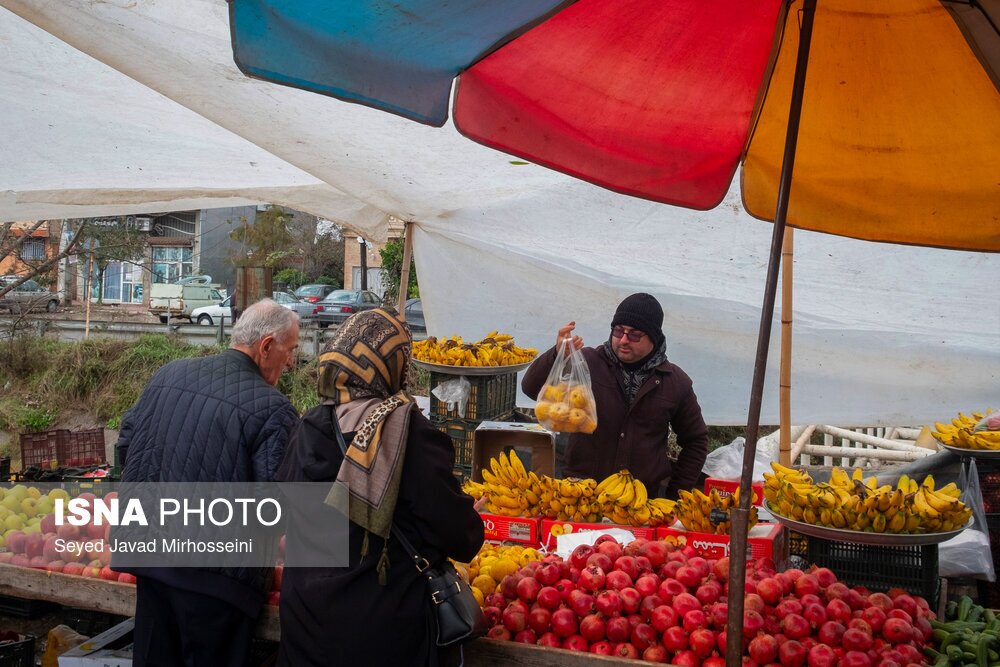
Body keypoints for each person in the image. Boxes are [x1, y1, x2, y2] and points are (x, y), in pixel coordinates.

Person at [276, 307, 484, 667]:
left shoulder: (309, 426)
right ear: (395, 367)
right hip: (383, 629)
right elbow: (461, 539)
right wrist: (467, 516)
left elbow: (285, 523)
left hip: (307, 621)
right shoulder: (409, 434)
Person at [114, 298, 300, 667]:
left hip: (150, 562)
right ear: (266, 347)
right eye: (291, 349)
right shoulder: (273, 409)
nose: (292, 361)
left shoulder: (169, 374)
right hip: (217, 585)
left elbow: (125, 446)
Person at [522, 292, 708, 499]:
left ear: (654, 338)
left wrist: (675, 496)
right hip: (581, 496)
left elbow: (696, 441)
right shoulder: (587, 364)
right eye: (618, 331)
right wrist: (556, 355)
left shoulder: (675, 382)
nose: (624, 340)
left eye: (635, 334)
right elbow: (531, 389)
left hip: (640, 503)